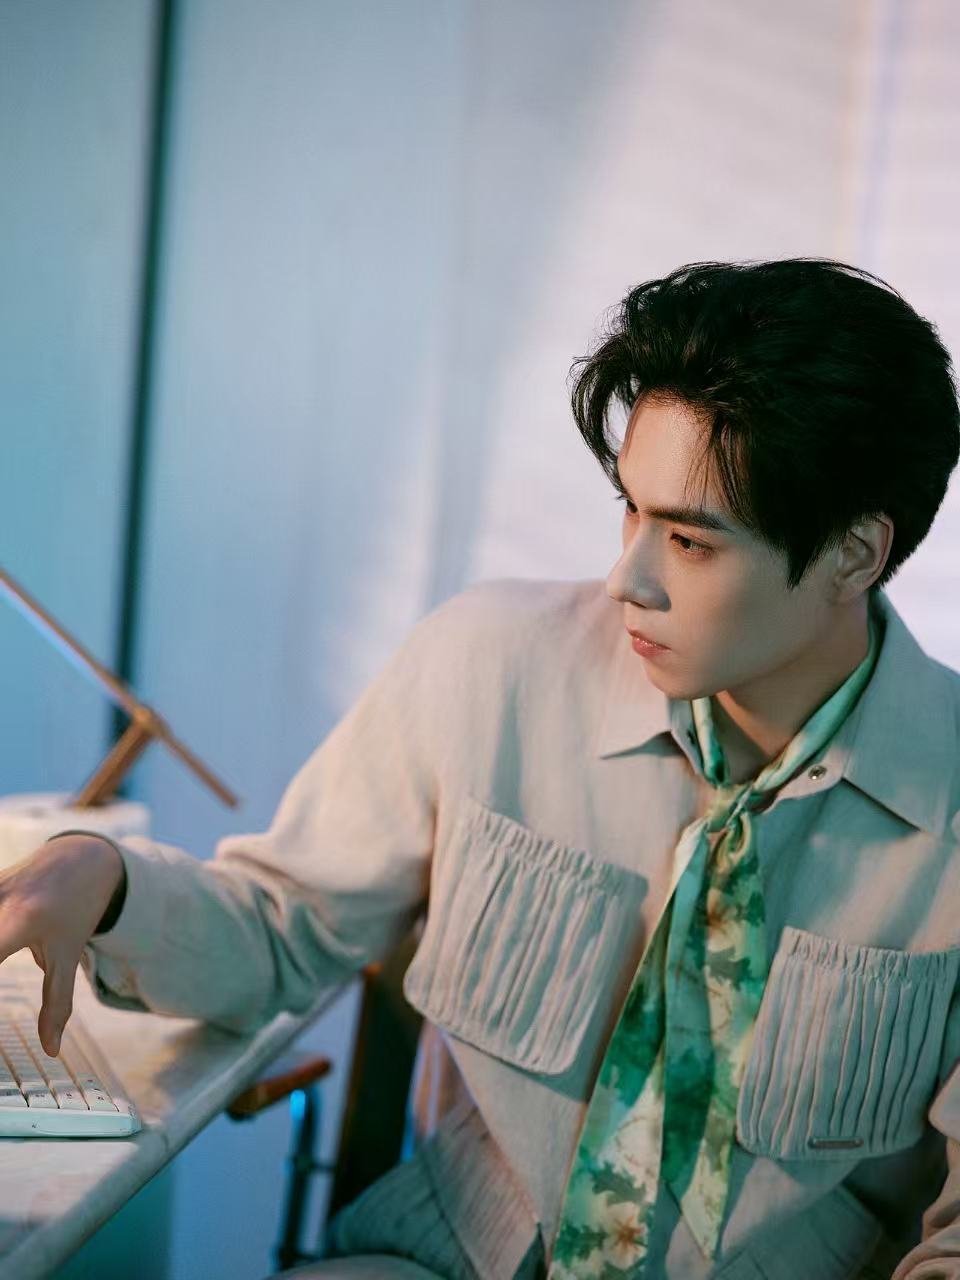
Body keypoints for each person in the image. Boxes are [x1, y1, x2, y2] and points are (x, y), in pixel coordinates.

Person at [1, 257, 959, 1280]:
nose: (627, 577)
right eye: (630, 511)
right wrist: (100, 880)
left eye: (689, 542)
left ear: (854, 555)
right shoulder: (493, 665)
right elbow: (285, 927)